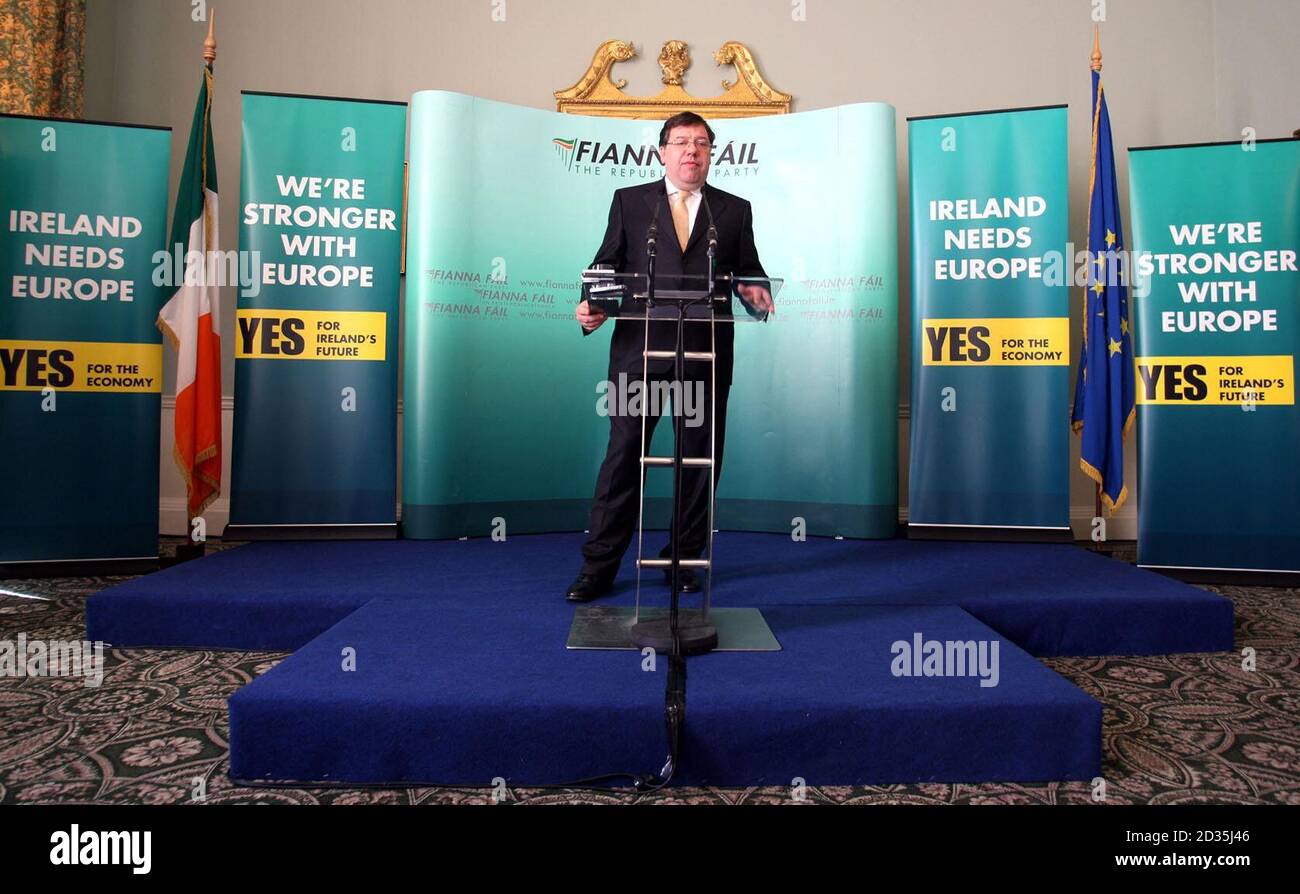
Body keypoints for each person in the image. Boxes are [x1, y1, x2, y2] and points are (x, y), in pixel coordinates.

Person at [566, 111, 774, 602]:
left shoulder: (734, 210)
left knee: (696, 462)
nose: (691, 151)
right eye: (681, 142)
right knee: (623, 459)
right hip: (641, 354)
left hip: (704, 355)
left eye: (701, 143)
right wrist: (594, 304)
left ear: (710, 154)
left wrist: (756, 292)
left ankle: (682, 560)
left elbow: (750, 273)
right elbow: (605, 266)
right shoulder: (631, 202)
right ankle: (599, 567)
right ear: (663, 152)